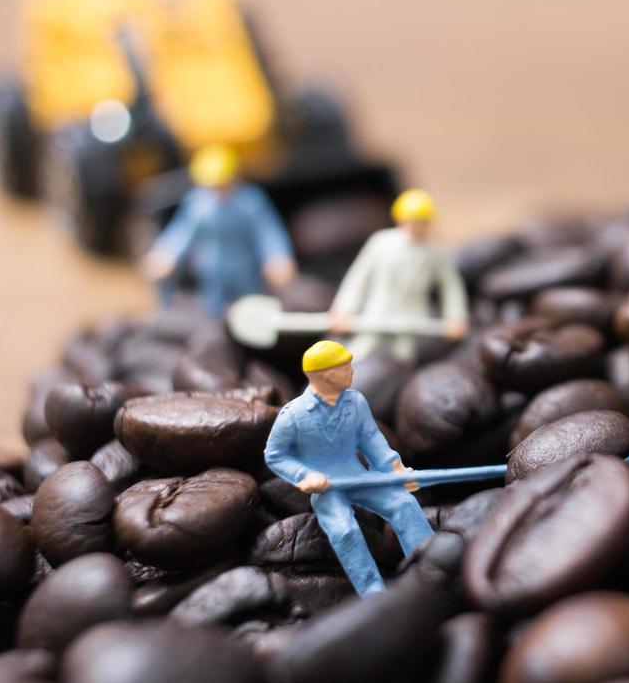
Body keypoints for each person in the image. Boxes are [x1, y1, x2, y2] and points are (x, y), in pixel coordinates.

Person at [263, 340, 432, 595]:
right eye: (345, 368)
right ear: (326, 375)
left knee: (404, 504)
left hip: (360, 477)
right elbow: (275, 456)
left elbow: (372, 441)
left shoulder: (356, 402)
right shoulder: (293, 415)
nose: (353, 372)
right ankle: (374, 594)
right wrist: (304, 476)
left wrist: (395, 470)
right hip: (328, 489)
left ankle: (431, 568)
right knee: (344, 531)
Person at [142, 144, 296, 315]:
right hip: (212, 268)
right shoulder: (199, 204)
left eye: (222, 184)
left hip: (243, 267)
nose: (217, 191)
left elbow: (267, 231)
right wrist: (166, 254)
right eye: (212, 186)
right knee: (212, 307)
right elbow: (182, 232)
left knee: (250, 305)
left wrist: (277, 257)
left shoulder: (250, 202)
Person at [328, 188, 469, 363]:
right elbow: (359, 277)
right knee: (358, 353)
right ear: (400, 219)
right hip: (377, 314)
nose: (417, 226)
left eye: (422, 222)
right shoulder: (381, 243)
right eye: (413, 221)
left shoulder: (435, 253)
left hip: (410, 320)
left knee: (402, 360)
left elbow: (451, 286)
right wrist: (343, 309)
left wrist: (456, 317)